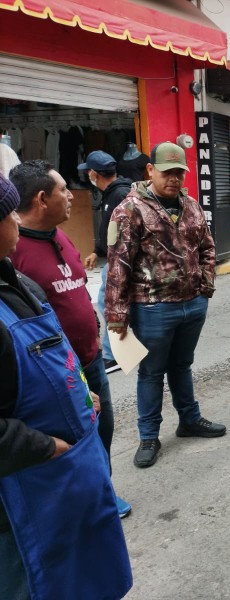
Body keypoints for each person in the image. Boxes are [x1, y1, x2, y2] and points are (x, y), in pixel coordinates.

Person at [0, 173, 132, 600]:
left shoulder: (13, 279)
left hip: (69, 476)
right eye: (7, 216)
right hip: (30, 491)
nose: (15, 223)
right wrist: (49, 449)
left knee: (87, 575)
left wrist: (78, 389)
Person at [105, 142, 225, 468]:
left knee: (182, 366)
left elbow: (208, 248)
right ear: (150, 171)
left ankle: (189, 420)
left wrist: (205, 287)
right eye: (167, 172)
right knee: (151, 372)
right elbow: (117, 266)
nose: (174, 179)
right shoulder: (128, 210)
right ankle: (148, 437)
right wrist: (117, 318)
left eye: (179, 173)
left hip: (192, 305)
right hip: (153, 308)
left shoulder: (192, 206)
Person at [78, 150, 133, 374]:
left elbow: (126, 231)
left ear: (93, 173)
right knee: (112, 304)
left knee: (110, 304)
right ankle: (119, 351)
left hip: (121, 260)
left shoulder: (119, 194)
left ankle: (114, 355)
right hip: (114, 257)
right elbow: (109, 229)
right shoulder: (113, 192)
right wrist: (96, 251)